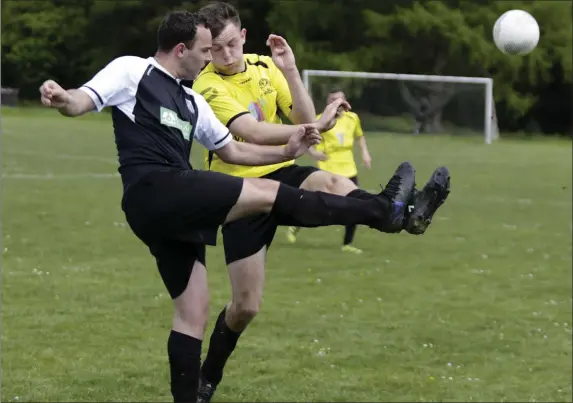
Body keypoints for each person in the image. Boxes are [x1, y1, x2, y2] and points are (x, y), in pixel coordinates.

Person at [38, 10, 422, 403]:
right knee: (270, 195)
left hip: (171, 210)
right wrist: (63, 97)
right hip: (156, 187)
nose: (209, 58)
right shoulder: (133, 71)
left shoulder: (190, 100)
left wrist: (288, 148)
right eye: (205, 50)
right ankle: (380, 211)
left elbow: (235, 149)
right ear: (181, 49)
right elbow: (82, 101)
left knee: (194, 311)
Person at [191, 3, 451, 402]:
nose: (224, 57)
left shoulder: (264, 66)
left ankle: (393, 211)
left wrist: (290, 69)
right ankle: (207, 375)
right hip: (239, 191)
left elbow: (302, 114)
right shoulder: (207, 85)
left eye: (230, 45)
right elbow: (252, 131)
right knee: (246, 307)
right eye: (214, 50)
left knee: (330, 181)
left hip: (280, 170)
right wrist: (315, 127)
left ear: (243, 36)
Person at [285, 89, 372, 254]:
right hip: (328, 168)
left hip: (348, 168)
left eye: (340, 100)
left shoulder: (352, 118)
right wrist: (314, 153)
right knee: (320, 207)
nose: (337, 104)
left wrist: (365, 154)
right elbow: (306, 140)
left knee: (355, 206)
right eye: (333, 100)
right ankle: (296, 225)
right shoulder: (319, 120)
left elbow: (359, 136)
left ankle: (347, 244)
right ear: (328, 103)